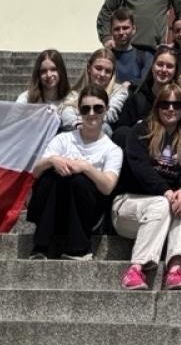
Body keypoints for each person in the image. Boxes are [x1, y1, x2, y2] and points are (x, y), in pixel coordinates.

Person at [111, 82, 181, 290]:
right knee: (162, 203)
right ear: (157, 107)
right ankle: (136, 269)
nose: (170, 109)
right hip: (128, 206)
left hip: (165, 210)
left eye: (176, 105)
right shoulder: (140, 131)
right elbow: (141, 169)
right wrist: (167, 192)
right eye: (165, 104)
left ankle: (175, 270)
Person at [27, 86, 123, 259]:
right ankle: (41, 245)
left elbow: (108, 187)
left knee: (79, 180)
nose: (91, 113)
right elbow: (34, 172)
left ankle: (80, 248)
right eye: (86, 108)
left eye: (98, 108)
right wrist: (52, 161)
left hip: (87, 214)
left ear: (106, 110)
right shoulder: (63, 139)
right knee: (50, 176)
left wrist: (86, 168)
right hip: (56, 208)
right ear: (79, 111)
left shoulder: (112, 149)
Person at [111, 46, 181, 141]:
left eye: (169, 66)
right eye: (160, 64)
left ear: (176, 71)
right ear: (152, 67)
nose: (164, 70)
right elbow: (120, 130)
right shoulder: (136, 99)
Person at [69, 47, 129, 132]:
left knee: (104, 127)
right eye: (98, 68)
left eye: (107, 71)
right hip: (76, 133)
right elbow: (67, 114)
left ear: (112, 74)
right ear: (89, 68)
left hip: (102, 135)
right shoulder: (74, 93)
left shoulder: (119, 91)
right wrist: (80, 125)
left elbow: (110, 115)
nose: (102, 74)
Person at [16, 48, 76, 130]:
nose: (48, 75)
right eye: (43, 71)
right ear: (38, 74)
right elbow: (12, 124)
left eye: (53, 69)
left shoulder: (74, 99)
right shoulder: (26, 98)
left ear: (61, 71)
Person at [106, 7, 154, 88]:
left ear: (133, 29)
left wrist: (131, 84)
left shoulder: (145, 56)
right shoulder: (106, 57)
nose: (121, 32)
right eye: (117, 29)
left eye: (125, 28)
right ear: (111, 31)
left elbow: (147, 81)